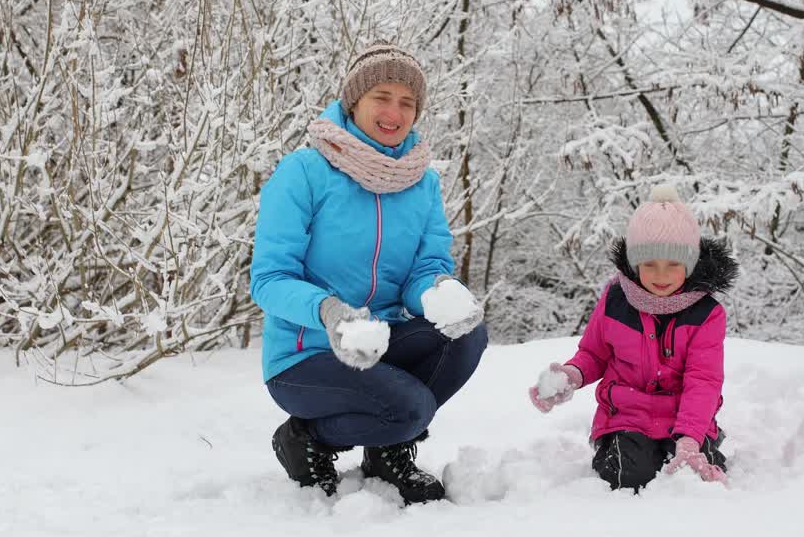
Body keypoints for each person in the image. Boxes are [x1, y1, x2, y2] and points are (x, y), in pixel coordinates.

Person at [250, 41, 488, 504]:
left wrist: (438, 292)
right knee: (412, 407)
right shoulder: (304, 171)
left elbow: (426, 267)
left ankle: (386, 452)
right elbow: (269, 279)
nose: (394, 112)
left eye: (407, 102)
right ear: (353, 101)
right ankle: (306, 438)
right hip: (306, 355)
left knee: (467, 335)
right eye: (381, 96)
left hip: (380, 341)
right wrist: (330, 312)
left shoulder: (424, 182)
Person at [529, 184, 738, 491]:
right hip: (627, 415)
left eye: (673, 265)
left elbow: (702, 380)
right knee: (627, 475)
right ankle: (620, 448)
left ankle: (699, 442)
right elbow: (594, 353)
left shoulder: (706, 314)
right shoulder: (616, 300)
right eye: (650, 264)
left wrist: (691, 437)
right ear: (635, 262)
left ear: (689, 264)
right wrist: (570, 376)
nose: (661, 275)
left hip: (684, 416)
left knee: (691, 473)